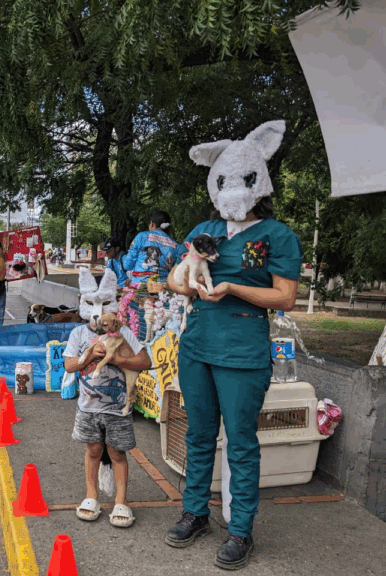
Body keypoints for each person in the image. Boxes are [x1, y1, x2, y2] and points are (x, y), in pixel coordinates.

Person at [165, 196, 301, 569]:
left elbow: (286, 297)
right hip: (196, 344)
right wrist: (187, 284)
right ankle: (195, 513)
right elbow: (172, 279)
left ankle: (240, 530)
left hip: (242, 349)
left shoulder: (276, 235)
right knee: (198, 434)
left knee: (240, 442)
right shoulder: (204, 231)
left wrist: (231, 287)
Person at [63, 307, 152, 528]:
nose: (99, 316)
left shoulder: (124, 332)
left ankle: (121, 501)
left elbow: (145, 362)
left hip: (117, 407)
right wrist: (91, 356)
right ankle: (91, 496)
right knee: (93, 449)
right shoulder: (78, 334)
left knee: (117, 452)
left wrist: (117, 360)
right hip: (88, 407)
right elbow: (69, 365)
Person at [122, 210, 181, 283]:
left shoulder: (142, 236)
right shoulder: (177, 246)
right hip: (164, 288)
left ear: (152, 224)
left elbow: (127, 265)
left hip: (140, 285)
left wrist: (123, 258)